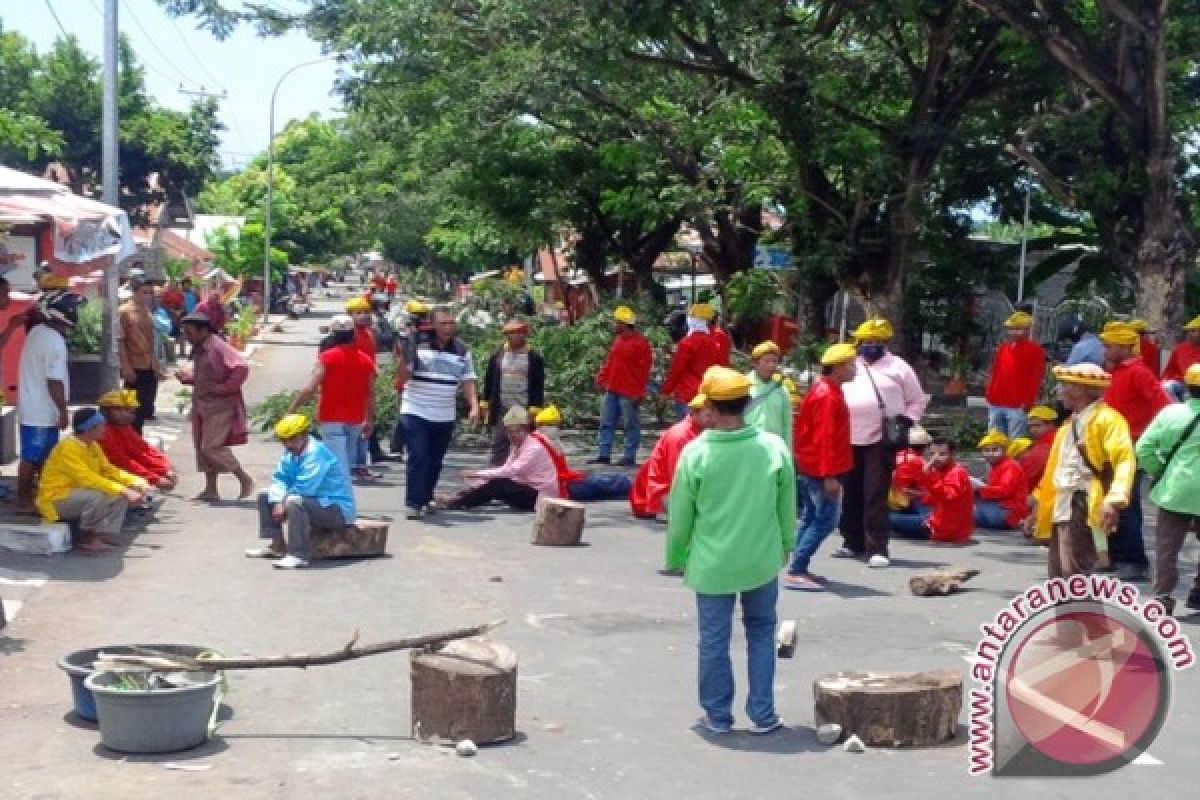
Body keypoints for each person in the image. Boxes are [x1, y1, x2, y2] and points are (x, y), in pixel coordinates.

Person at [666, 366, 795, 736]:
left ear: (710, 406)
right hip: (761, 558)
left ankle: (719, 717)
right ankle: (763, 714)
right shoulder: (773, 447)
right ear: (747, 403)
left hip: (712, 564)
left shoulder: (696, 453)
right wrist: (786, 545)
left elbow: (681, 516)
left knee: (713, 640)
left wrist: (677, 557)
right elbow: (787, 507)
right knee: (761, 631)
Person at [837, 319, 929, 568]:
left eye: (876, 341)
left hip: (881, 440)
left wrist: (907, 421)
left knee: (875, 493)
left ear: (885, 343)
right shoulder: (849, 365)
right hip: (849, 438)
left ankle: (877, 547)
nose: (871, 346)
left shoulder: (899, 367)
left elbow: (917, 400)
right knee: (851, 492)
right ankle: (851, 542)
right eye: (866, 341)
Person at [1032, 364, 1135, 578]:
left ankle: (1080, 611)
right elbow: (1055, 468)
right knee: (1059, 572)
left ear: (1079, 389)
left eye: (1064, 386)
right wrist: (1039, 502)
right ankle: (1066, 611)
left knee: (1075, 572)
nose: (1060, 391)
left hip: (1082, 499)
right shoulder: (1071, 423)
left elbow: (1124, 459)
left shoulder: (1108, 420)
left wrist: (1115, 499)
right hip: (1063, 500)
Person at [1101, 321, 1171, 580]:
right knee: (1115, 502)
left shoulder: (1138, 372)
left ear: (1125, 346)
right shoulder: (1119, 371)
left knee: (1126, 504)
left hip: (1130, 445)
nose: (1104, 351)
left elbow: (1163, 406)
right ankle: (1117, 557)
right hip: (1114, 444)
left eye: (1109, 346)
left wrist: (1147, 438)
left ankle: (1133, 561)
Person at [395, 307, 480, 519]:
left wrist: (474, 406)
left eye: (451, 323)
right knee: (419, 455)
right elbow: (404, 378)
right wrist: (403, 354)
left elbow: (468, 380)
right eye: (443, 323)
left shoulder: (461, 349)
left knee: (435, 460)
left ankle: (426, 497)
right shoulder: (417, 344)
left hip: (444, 414)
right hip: (415, 409)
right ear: (432, 324)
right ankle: (414, 502)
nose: (448, 327)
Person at [784, 343, 855, 591]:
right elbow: (824, 439)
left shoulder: (825, 390)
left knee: (811, 517)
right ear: (838, 367)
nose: (854, 369)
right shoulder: (828, 395)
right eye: (850, 364)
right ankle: (796, 569)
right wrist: (830, 475)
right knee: (825, 519)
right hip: (820, 468)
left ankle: (797, 567)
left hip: (812, 465)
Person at [247, 414, 355, 570]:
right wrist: (277, 501)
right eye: (284, 440)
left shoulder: (316, 453)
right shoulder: (291, 453)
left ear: (304, 434)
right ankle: (277, 545)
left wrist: (282, 503)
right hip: (314, 504)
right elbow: (280, 479)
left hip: (336, 509)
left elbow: (305, 488)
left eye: (292, 439)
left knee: (295, 501)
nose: (288, 444)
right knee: (266, 495)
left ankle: (298, 555)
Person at [36, 407, 148, 553]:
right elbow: (88, 478)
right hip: (56, 499)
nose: (105, 429)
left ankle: (103, 535)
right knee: (99, 496)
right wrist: (124, 489)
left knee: (119, 494)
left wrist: (135, 481)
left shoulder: (92, 445)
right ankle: (86, 538)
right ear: (90, 429)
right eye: (101, 425)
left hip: (78, 493)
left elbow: (109, 470)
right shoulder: (68, 448)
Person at [1138, 364, 1200, 615]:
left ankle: (1162, 598)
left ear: (1187, 387)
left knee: (1167, 547)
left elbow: (1144, 449)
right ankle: (1198, 593)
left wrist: (1158, 471)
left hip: (1175, 490)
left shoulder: (1171, 413)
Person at [14, 292, 82, 514]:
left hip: (35, 406)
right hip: (41, 409)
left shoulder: (38, 332)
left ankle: (44, 497)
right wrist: (63, 411)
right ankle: (23, 501)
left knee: (43, 457)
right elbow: (54, 381)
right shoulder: (54, 341)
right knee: (32, 458)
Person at [178, 310, 254, 502]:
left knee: (211, 447)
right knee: (201, 447)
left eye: (190, 332)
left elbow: (241, 368)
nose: (187, 337)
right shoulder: (201, 348)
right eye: (185, 333)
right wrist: (190, 380)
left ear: (203, 330)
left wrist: (224, 389)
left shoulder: (217, 347)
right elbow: (208, 377)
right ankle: (211, 489)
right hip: (202, 405)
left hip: (220, 406)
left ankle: (244, 479)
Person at [288, 314, 377, 477]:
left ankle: (337, 497)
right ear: (353, 334)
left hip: (331, 417)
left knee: (336, 465)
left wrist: (292, 409)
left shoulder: (327, 357)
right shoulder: (366, 360)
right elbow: (370, 393)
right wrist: (369, 419)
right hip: (356, 418)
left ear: (333, 335)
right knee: (345, 463)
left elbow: (310, 388)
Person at [438, 406, 558, 511]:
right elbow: (506, 468)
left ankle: (458, 502)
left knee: (499, 484)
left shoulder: (533, 447)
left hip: (541, 496)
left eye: (518, 431)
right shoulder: (517, 445)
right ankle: (460, 497)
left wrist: (478, 474)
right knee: (493, 481)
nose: (514, 435)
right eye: (510, 432)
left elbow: (510, 471)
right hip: (527, 488)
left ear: (526, 430)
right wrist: (480, 480)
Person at [629, 393, 710, 519]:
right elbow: (677, 478)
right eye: (708, 415)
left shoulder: (701, 430)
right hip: (657, 497)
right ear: (695, 412)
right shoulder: (680, 436)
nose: (713, 419)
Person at [531, 405, 633, 502]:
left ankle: (630, 486)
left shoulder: (548, 440)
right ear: (541, 426)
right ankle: (632, 485)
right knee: (605, 482)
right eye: (552, 425)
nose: (556, 428)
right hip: (564, 485)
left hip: (566, 482)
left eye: (557, 425)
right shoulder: (539, 443)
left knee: (603, 482)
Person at [593, 306, 653, 466]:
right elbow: (610, 363)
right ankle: (604, 454)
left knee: (630, 425)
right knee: (606, 422)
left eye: (617, 322)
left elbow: (644, 370)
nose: (615, 324)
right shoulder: (618, 341)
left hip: (630, 392)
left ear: (624, 324)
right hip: (613, 388)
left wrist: (640, 392)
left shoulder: (641, 344)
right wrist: (601, 378)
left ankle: (629, 456)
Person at [482, 320, 545, 466]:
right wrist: (485, 403)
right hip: (502, 405)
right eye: (510, 334)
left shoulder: (534, 357)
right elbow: (489, 381)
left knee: (523, 444)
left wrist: (534, 410)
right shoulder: (497, 354)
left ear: (524, 335)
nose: (513, 337)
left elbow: (538, 385)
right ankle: (495, 477)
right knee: (499, 443)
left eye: (517, 333)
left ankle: (521, 479)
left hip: (522, 407)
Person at [888, 437, 973, 543]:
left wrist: (927, 477)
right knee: (899, 506)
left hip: (942, 528)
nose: (936, 458)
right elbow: (933, 498)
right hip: (938, 517)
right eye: (932, 454)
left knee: (883, 517)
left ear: (952, 454)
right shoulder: (938, 469)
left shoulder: (957, 472)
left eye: (942, 454)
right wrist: (918, 494)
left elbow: (947, 496)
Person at [97, 389, 178, 492]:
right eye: (120, 410)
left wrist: (165, 468)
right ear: (106, 411)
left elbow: (142, 449)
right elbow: (122, 462)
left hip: (118, 469)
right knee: (138, 484)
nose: (127, 414)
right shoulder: (102, 432)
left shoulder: (123, 426)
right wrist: (156, 479)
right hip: (105, 472)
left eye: (129, 410)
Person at [984, 311, 1046, 439]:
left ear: (1027, 330)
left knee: (1015, 440)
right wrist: (989, 393)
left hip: (1017, 404)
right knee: (995, 438)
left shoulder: (1035, 350)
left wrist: (1027, 401)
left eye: (1018, 329)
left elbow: (1036, 378)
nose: (1013, 332)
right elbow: (995, 372)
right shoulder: (1004, 348)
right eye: (1011, 329)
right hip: (996, 401)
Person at [117, 277, 163, 433]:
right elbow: (120, 341)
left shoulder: (147, 312)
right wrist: (126, 367)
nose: (148, 296)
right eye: (145, 292)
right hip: (134, 365)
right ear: (135, 292)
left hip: (149, 364)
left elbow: (151, 342)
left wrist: (156, 365)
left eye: (151, 293)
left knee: (146, 408)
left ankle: (137, 440)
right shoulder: (124, 312)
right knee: (132, 409)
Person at [661, 303, 723, 418]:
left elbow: (677, 370)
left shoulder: (686, 343)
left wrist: (665, 392)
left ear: (692, 320)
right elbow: (721, 368)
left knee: (687, 431)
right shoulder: (714, 344)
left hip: (686, 395)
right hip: (707, 395)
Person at [390, 299, 434, 457]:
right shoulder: (406, 334)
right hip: (407, 379)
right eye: (418, 316)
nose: (421, 320)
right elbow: (401, 357)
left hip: (421, 379)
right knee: (405, 415)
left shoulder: (425, 334)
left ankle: (403, 446)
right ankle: (398, 446)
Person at [971, 430, 1030, 530]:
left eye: (995, 450)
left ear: (1004, 450)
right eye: (986, 450)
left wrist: (979, 488)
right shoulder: (996, 466)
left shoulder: (1010, 466)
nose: (991, 453)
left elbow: (1004, 491)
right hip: (998, 508)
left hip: (1007, 511)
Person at [744, 341, 793, 451]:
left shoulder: (781, 390)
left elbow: (787, 425)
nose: (771, 365)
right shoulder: (742, 386)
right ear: (755, 363)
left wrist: (788, 452)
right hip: (748, 447)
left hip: (773, 449)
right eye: (766, 361)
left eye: (774, 361)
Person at [888, 425, 932, 513]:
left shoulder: (897, 454)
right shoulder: (919, 462)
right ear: (924, 447)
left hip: (889, 497)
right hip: (901, 500)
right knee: (931, 518)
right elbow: (925, 487)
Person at [1018, 406, 1059, 488]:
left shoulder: (1045, 446)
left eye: (1037, 425)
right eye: (1030, 427)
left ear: (1051, 424)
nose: (1033, 430)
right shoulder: (1053, 439)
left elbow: (1028, 477)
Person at [1163, 315, 1200, 400]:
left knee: (1188, 396)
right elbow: (1170, 370)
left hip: (1196, 387)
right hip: (1181, 384)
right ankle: (1177, 410)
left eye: (1194, 331)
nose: (1190, 334)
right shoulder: (1180, 348)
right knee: (1166, 387)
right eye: (1189, 331)